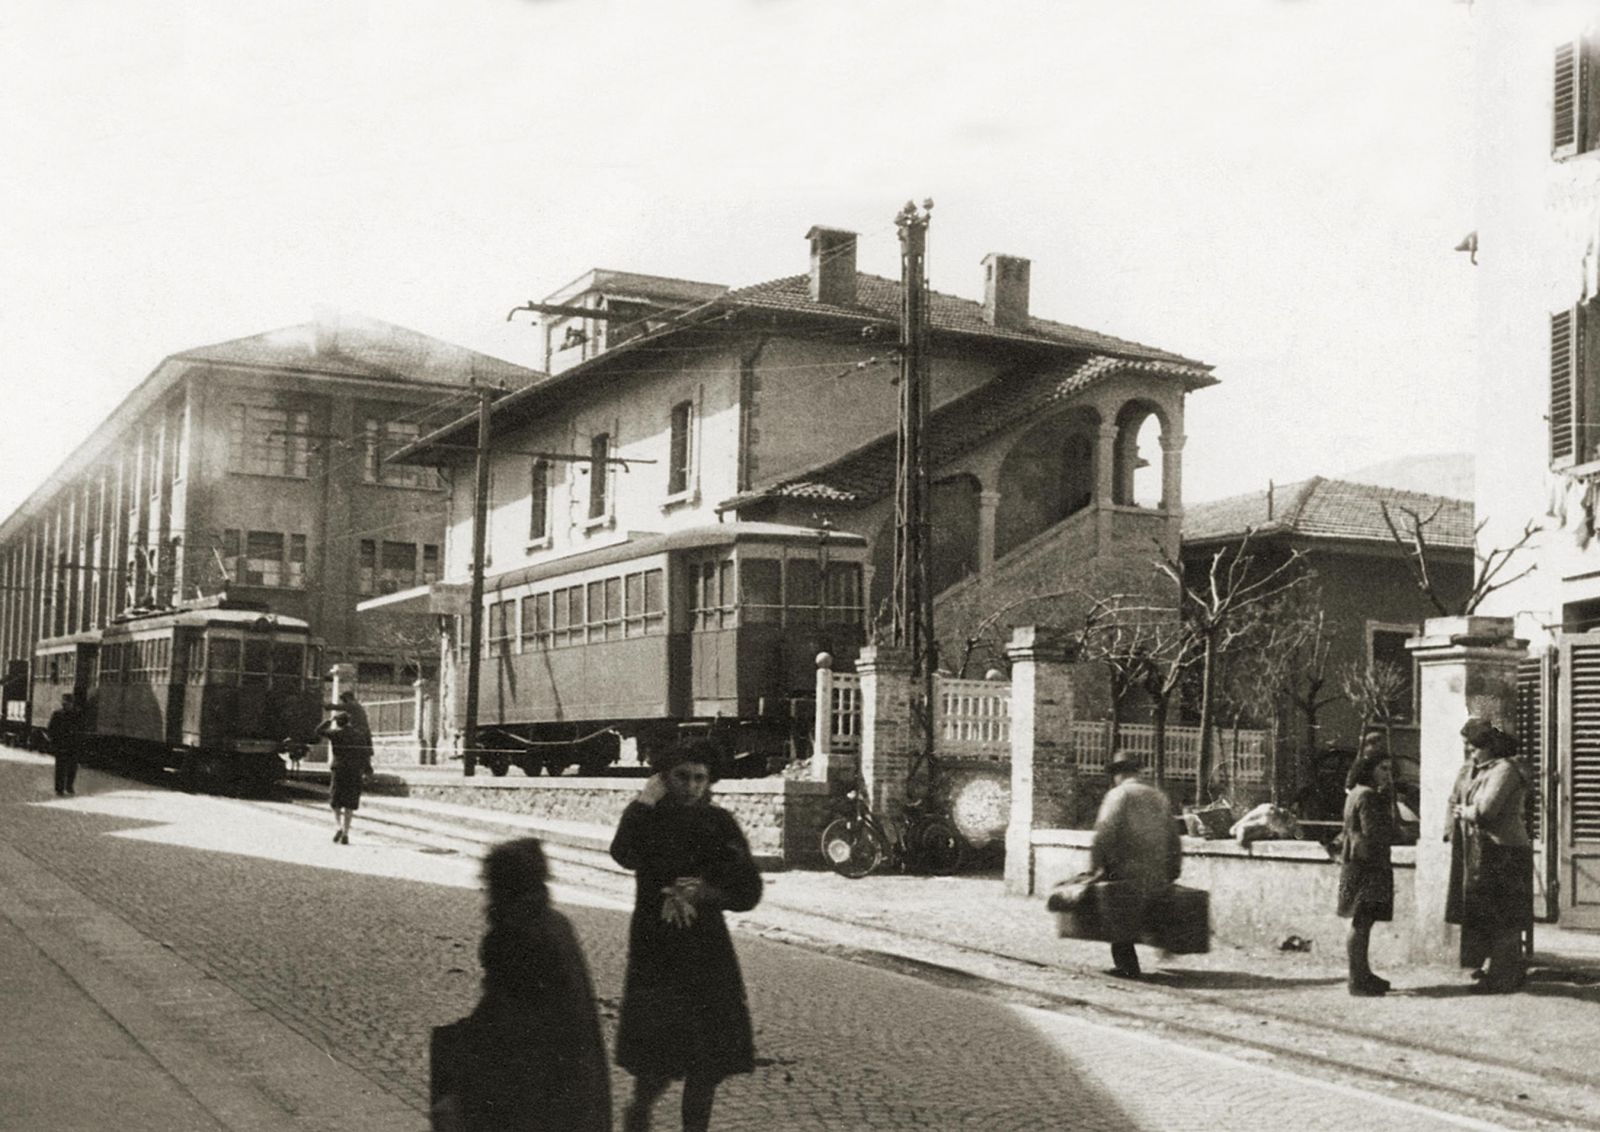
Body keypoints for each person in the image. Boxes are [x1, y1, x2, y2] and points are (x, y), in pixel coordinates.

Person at [609, 741, 763, 1132]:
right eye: (681, 776)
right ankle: (639, 1112)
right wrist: (644, 800)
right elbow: (623, 852)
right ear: (664, 778)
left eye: (700, 778)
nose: (691, 786)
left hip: (706, 955)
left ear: (709, 781)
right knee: (655, 1059)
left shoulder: (720, 824)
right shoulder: (648, 819)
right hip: (656, 952)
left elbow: (749, 891)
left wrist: (708, 893)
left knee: (706, 1063)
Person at [448, 838, 611, 1132]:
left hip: (538, 1092)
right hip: (577, 1085)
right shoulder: (556, 923)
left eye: (488, 884)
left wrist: (457, 1089)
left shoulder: (513, 935)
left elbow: (501, 1017)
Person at [1446, 717, 1532, 994]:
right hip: (1485, 850)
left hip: (1505, 850)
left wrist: (1465, 812)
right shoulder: (1478, 769)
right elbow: (1455, 798)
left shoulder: (1505, 770)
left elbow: (1486, 810)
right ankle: (1498, 971)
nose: (1470, 753)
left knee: (1504, 915)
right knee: (1489, 913)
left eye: (1474, 748)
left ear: (1490, 747)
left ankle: (1503, 978)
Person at [1089, 754, 1182, 979]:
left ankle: (1127, 966)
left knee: (1116, 913)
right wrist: (1173, 868)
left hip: (1125, 871)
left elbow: (1104, 833)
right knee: (1149, 908)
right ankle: (1163, 946)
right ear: (1137, 773)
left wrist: (1097, 867)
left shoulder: (1118, 795)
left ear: (1117, 775)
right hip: (1156, 870)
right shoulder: (1158, 796)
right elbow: (1173, 835)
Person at [1338, 743, 1396, 996]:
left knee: (1361, 921)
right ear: (1370, 769)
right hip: (1368, 866)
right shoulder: (1369, 796)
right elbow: (1375, 833)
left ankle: (1362, 975)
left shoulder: (1355, 792)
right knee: (1362, 921)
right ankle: (1358, 979)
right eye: (1382, 768)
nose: (1387, 774)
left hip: (1355, 864)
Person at [314, 710, 371, 845]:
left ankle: (338, 826)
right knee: (350, 802)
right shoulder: (359, 735)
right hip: (355, 771)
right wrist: (367, 769)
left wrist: (329, 721)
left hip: (339, 769)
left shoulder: (336, 733)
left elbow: (318, 731)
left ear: (338, 723)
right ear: (349, 721)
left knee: (336, 800)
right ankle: (346, 833)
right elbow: (365, 753)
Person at [47, 693, 84, 797]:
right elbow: (51, 729)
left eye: (67, 703)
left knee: (72, 767)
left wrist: (79, 741)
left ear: (72, 703)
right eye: (64, 703)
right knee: (60, 768)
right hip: (61, 745)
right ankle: (59, 789)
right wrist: (54, 741)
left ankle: (69, 786)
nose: (65, 705)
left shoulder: (77, 714)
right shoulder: (57, 714)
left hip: (73, 744)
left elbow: (81, 729)